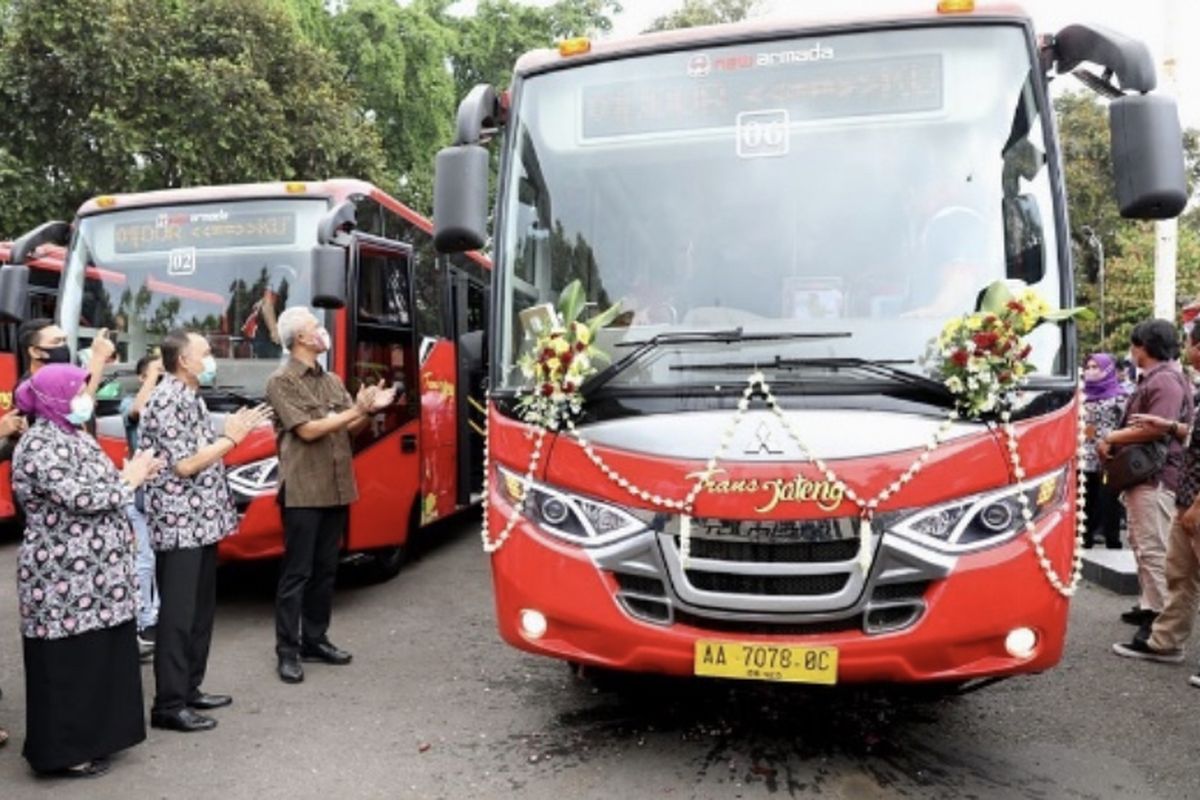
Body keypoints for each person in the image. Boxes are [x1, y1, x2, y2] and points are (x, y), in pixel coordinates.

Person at [11, 364, 161, 777]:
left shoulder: (73, 434)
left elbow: (102, 488)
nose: (86, 397)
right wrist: (129, 479)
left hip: (99, 575)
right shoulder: (40, 443)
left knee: (100, 657)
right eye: (79, 389)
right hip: (62, 576)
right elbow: (82, 498)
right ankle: (64, 751)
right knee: (68, 664)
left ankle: (99, 738)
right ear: (56, 398)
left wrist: (129, 482)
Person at [140, 329, 272, 732]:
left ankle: (190, 688)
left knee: (199, 612)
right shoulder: (166, 400)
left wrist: (228, 437)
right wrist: (231, 439)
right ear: (183, 360)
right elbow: (185, 464)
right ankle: (169, 704)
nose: (211, 358)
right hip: (180, 526)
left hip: (201, 523)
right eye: (205, 352)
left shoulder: (190, 395)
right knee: (178, 618)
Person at [267, 307, 394, 684]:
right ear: (301, 339)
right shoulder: (282, 381)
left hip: (337, 488)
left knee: (326, 571)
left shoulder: (332, 379)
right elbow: (307, 431)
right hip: (304, 490)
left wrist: (368, 411)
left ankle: (315, 639)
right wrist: (354, 409)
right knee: (297, 574)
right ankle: (287, 650)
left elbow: (348, 429)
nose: (323, 333)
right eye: (315, 327)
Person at [1112, 322, 1200, 687]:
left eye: (1193, 341)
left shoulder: (1165, 380)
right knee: (1179, 573)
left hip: (1183, 489)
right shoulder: (1183, 381)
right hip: (1184, 489)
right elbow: (1192, 433)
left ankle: (1160, 631)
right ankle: (1164, 642)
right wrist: (1169, 426)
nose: (1189, 347)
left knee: (1157, 554)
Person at [1097, 320, 1192, 628]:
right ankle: (1150, 605)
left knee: (1153, 548)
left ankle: (1160, 621)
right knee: (1142, 542)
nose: (1132, 351)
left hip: (1157, 475)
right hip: (1145, 475)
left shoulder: (1164, 381)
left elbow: (1154, 427)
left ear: (1145, 347)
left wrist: (1110, 438)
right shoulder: (1158, 378)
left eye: (1134, 345)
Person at [120, 354, 163, 659]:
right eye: (154, 372)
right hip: (142, 496)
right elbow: (136, 412)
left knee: (162, 560)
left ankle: (157, 615)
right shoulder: (129, 403)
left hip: (166, 495)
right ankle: (144, 620)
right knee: (145, 559)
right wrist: (153, 378)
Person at [1082, 353, 1127, 549]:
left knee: (1109, 497)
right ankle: (1086, 538)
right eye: (1088, 366)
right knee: (1086, 498)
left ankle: (1112, 538)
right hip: (1085, 454)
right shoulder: (1081, 395)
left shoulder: (1120, 397)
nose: (1090, 371)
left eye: (1096, 367)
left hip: (1109, 455)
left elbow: (1125, 424)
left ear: (1108, 370)